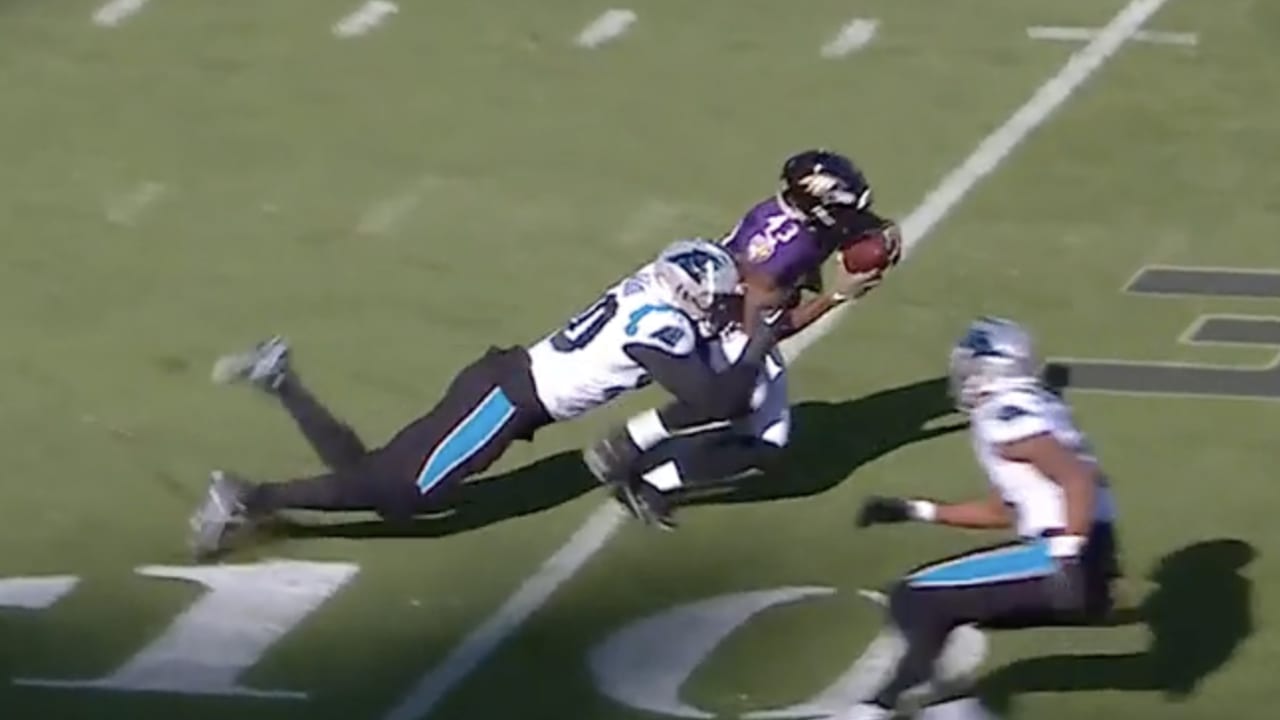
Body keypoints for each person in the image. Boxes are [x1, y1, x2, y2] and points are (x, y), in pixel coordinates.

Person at [188, 239, 783, 560]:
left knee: (370, 477)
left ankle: (279, 378)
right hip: (507, 399)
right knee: (407, 494)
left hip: (504, 383)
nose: (721, 306)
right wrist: (760, 338)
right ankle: (246, 495)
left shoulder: (649, 297)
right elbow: (714, 399)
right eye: (716, 297)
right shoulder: (665, 327)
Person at [842, 317, 1121, 719]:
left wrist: (1066, 554)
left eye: (972, 368)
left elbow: (1074, 476)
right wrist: (914, 509)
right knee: (941, 602)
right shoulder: (1037, 406)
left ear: (994, 369)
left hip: (1067, 557)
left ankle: (882, 708)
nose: (964, 378)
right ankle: (948, 708)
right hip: (1086, 553)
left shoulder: (1005, 412)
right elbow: (1004, 509)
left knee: (916, 597)